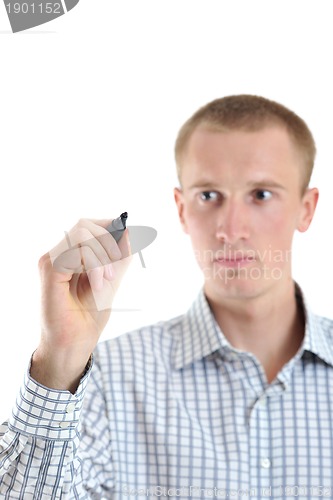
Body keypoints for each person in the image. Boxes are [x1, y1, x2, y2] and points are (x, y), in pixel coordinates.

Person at [1, 94, 332, 499]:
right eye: (209, 196)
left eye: (261, 195)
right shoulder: (107, 381)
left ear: (306, 208)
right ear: (181, 209)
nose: (231, 228)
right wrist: (59, 359)